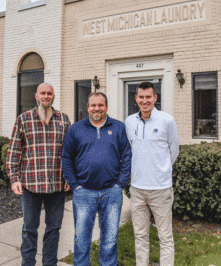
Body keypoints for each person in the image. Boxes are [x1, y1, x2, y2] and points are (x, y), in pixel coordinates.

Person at [61, 92, 131, 266]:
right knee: (81, 238)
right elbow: (66, 158)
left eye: (100, 105)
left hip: (111, 192)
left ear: (106, 107)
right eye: (93, 105)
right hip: (84, 192)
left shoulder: (118, 127)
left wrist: (120, 184)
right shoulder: (76, 129)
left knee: (110, 238)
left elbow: (127, 156)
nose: (96, 108)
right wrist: (74, 185)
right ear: (88, 108)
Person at [6, 83, 71, 266]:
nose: (46, 96)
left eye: (49, 93)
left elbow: (70, 152)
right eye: (43, 93)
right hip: (30, 185)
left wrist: (69, 177)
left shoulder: (64, 120)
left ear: (54, 96)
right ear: (36, 95)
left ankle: (49, 263)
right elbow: (14, 151)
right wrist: (14, 179)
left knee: (54, 229)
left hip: (57, 185)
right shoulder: (24, 119)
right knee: (29, 229)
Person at [125, 81, 180, 266]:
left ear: (155, 98)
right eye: (141, 97)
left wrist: (161, 170)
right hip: (137, 189)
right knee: (140, 236)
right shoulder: (129, 121)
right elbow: (130, 151)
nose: (145, 101)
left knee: (165, 236)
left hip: (160, 189)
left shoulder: (167, 120)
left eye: (148, 97)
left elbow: (174, 151)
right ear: (136, 98)